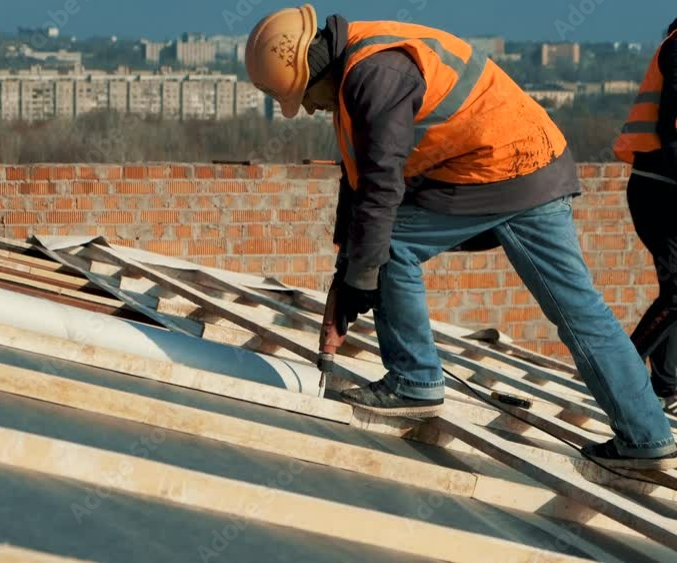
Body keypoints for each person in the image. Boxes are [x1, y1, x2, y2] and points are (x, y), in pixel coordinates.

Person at [246, 5, 676, 469]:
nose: (308, 108)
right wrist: (345, 275)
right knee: (579, 309)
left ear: (312, 69)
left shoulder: (375, 74)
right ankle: (647, 435)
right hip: (539, 169)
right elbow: (358, 183)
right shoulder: (360, 65)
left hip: (497, 173)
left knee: (390, 243)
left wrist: (362, 274)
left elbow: (382, 187)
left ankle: (414, 380)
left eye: (303, 97)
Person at [618, 18, 677, 414]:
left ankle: (666, 385)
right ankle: (617, 370)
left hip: (662, 186)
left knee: (675, 293)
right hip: (660, 188)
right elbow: (670, 122)